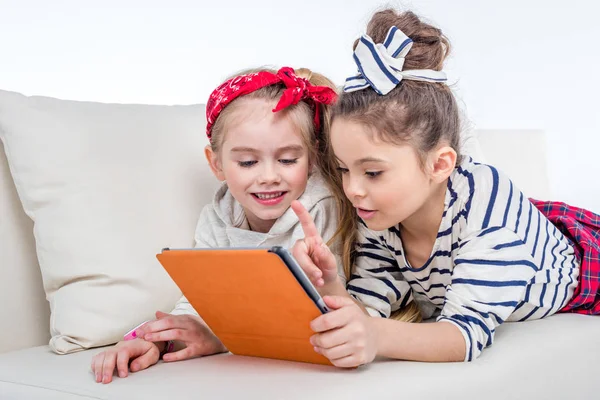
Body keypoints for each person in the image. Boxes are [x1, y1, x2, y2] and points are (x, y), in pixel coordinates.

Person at [291, 9, 600, 367]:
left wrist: (378, 336)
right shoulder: (382, 214)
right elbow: (366, 310)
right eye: (344, 170)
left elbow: (462, 337)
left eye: (372, 172)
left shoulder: (492, 223)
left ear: (439, 165)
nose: (353, 190)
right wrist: (329, 283)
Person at [92, 66, 344, 383]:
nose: (268, 176)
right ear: (217, 164)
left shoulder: (320, 212)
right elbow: (200, 304)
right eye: (248, 162)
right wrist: (156, 339)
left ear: (313, 160)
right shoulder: (216, 217)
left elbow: (324, 319)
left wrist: (219, 339)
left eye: (288, 159)